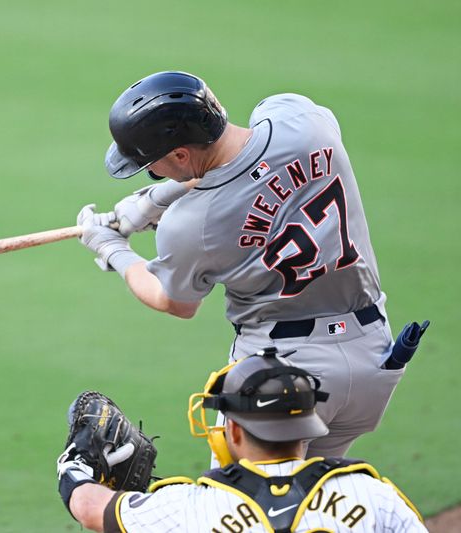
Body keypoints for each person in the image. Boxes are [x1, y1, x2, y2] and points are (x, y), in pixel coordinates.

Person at [77, 70, 405, 458]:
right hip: (373, 359)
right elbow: (251, 165)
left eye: (152, 166)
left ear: (181, 154)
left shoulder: (191, 225)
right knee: (321, 500)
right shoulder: (302, 121)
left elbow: (175, 301)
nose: (153, 172)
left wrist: (114, 249)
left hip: (282, 383)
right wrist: (160, 196)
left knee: (241, 509)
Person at [56, 349, 426, 532]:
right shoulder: (373, 495)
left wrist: (74, 465)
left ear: (232, 430)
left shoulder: (189, 508)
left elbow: (90, 506)